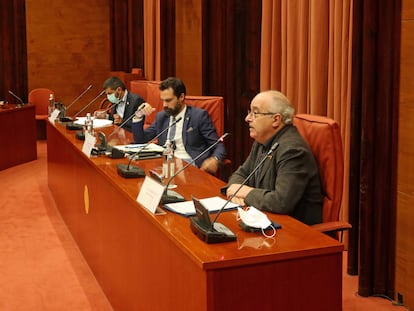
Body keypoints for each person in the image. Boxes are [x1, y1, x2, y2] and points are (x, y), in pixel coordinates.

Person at [225, 90, 322, 225]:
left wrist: (245, 193)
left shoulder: (293, 150)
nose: (247, 118)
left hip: (294, 231)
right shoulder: (261, 141)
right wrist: (235, 190)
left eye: (255, 113)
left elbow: (281, 202)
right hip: (264, 219)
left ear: (276, 119)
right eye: (249, 112)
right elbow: (241, 174)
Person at [131, 77, 226, 175]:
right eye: (162, 100)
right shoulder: (162, 116)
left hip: (188, 165)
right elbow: (140, 140)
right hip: (163, 164)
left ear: (181, 97)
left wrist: (215, 159)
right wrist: (138, 116)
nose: (164, 105)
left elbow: (218, 145)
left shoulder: (198, 116)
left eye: (168, 100)